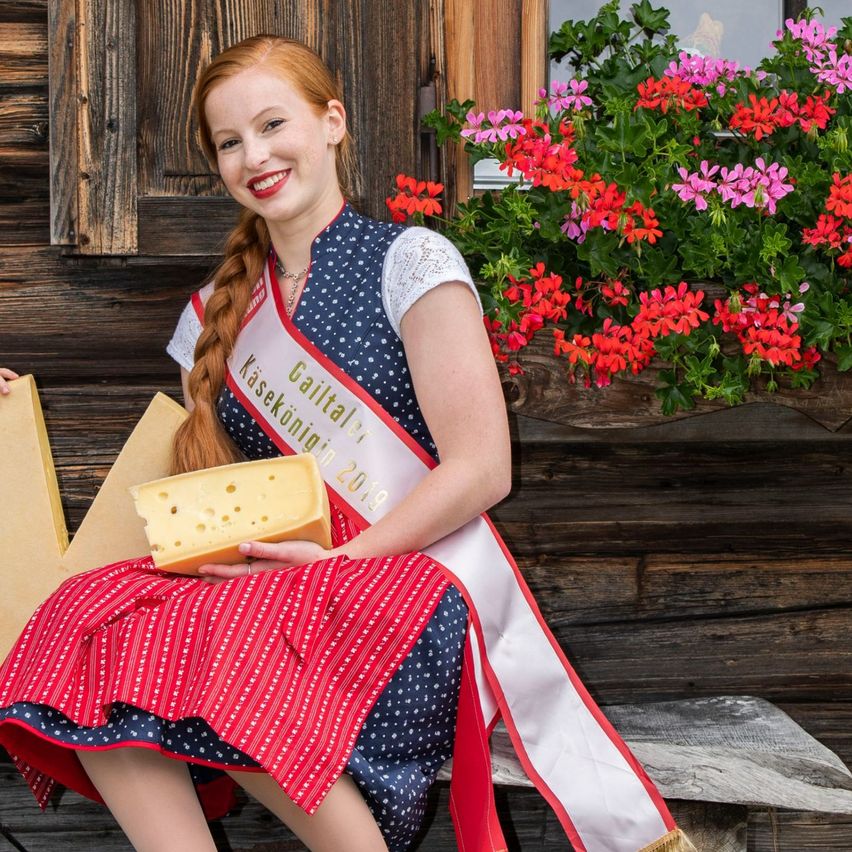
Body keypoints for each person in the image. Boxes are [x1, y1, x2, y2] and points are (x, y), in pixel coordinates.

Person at [0, 36, 691, 852]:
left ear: (332, 123)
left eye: (271, 124)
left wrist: (339, 565)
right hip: (276, 592)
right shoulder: (213, 316)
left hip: (404, 583)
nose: (253, 156)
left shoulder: (411, 262)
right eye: (229, 142)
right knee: (87, 614)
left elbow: (483, 468)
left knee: (225, 637)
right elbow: (203, 490)